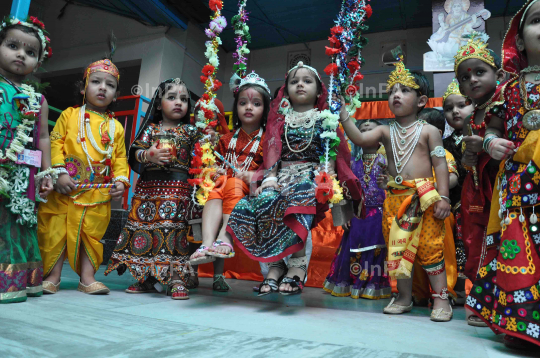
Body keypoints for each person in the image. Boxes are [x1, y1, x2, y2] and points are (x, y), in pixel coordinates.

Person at [227, 62, 362, 296]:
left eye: (307, 81)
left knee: (300, 191)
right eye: (294, 81)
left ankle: (297, 267)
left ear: (320, 91)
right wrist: (269, 178)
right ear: (286, 90)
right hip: (281, 176)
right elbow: (272, 153)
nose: (300, 84)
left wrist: (326, 174)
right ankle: (276, 265)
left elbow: (333, 153)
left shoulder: (324, 119)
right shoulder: (280, 120)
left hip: (312, 178)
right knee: (265, 198)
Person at [341, 60, 453, 322]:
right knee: (398, 250)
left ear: (422, 100)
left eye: (404, 90)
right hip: (394, 199)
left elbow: (440, 164)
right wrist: (343, 112)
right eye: (392, 91)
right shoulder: (384, 130)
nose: (396, 95)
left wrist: (444, 197)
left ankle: (441, 299)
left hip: (423, 198)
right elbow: (358, 139)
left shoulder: (430, 131)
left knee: (429, 247)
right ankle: (403, 297)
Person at [466, 0, 540, 348]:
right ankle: (520, 325)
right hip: (518, 189)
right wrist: (492, 143)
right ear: (520, 41)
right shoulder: (508, 90)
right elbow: (493, 130)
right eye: (538, 20)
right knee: (517, 249)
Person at [38, 59, 130, 295]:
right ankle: (53, 277)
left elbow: (120, 158)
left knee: (92, 235)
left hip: (97, 193)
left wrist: (120, 180)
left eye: (109, 85)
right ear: (83, 88)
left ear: (116, 95)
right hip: (65, 188)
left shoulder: (116, 128)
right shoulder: (69, 116)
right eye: (96, 82)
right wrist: (58, 173)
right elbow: (55, 142)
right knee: (56, 231)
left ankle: (87, 278)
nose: (102, 88)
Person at [104, 78, 201, 300]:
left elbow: (203, 153)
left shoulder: (191, 131)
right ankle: (146, 277)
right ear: (158, 104)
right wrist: (148, 155)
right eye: (172, 97)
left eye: (184, 99)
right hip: (147, 191)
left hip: (179, 192)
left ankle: (176, 278)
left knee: (174, 233)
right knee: (145, 231)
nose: (179, 102)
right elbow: (135, 151)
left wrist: (209, 138)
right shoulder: (151, 129)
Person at [188, 72, 270, 292]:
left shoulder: (268, 139)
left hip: (251, 189)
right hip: (225, 185)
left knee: (232, 183)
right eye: (243, 103)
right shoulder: (226, 139)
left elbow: (271, 167)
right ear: (236, 108)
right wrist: (215, 170)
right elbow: (212, 164)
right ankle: (207, 243)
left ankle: (225, 236)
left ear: (265, 110)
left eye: (256, 103)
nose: (248, 107)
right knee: (219, 184)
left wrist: (254, 176)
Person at [0, 16, 54, 303]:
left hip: (22, 171)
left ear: (38, 61)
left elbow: (42, 136)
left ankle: (15, 283)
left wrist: (47, 172)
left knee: (17, 222)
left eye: (30, 52)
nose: (21, 54)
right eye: (12, 46)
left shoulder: (37, 99)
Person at [453, 34, 505, 326]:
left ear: (497, 74)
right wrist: (467, 159)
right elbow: (468, 156)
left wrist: (484, 149)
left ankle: (499, 303)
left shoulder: (504, 104)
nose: (472, 80)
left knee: (499, 242)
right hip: (476, 189)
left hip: (501, 186)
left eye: (479, 72)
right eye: (464, 77)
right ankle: (484, 302)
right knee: (475, 243)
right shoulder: (471, 116)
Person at [323, 120, 391, 299]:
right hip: (356, 213)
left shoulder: (388, 162)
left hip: (379, 214)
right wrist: (344, 214)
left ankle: (372, 283)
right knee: (352, 247)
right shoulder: (351, 164)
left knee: (375, 248)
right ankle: (352, 283)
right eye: (362, 131)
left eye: (372, 131)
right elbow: (343, 192)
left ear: (381, 137)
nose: (367, 134)